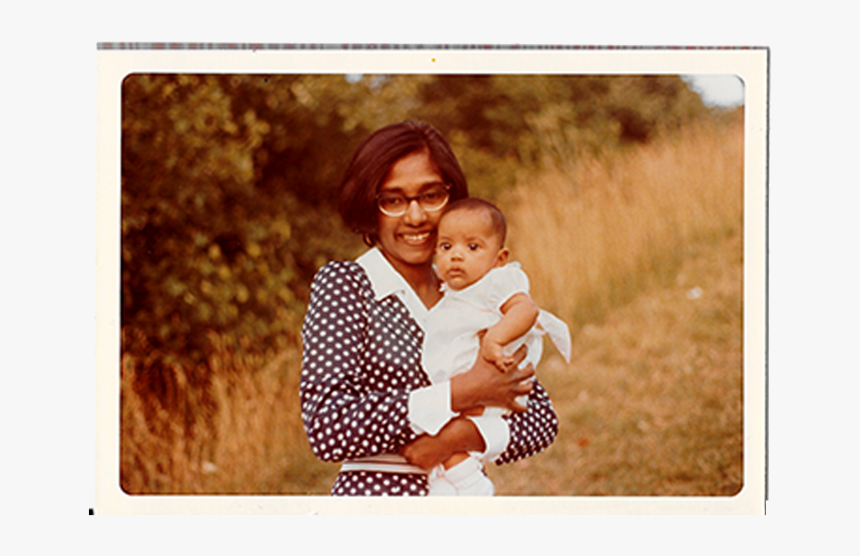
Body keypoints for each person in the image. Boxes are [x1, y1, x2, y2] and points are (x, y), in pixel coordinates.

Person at [300, 120, 558, 496]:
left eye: (431, 195)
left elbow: (540, 419)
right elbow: (327, 427)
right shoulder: (348, 284)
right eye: (393, 200)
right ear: (369, 206)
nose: (416, 217)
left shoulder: (473, 288)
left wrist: (453, 439)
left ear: (452, 198)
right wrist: (460, 392)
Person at [423, 198, 572, 496]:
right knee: (441, 445)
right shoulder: (452, 293)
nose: (456, 256)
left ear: (499, 258)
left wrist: (494, 339)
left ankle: (471, 486)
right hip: (464, 387)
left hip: (492, 379)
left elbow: (526, 310)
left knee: (446, 435)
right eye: (446, 247)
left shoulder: (497, 281)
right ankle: (453, 484)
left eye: (473, 247)